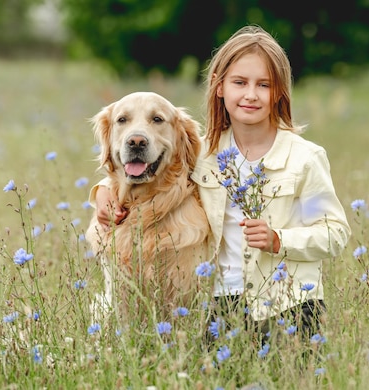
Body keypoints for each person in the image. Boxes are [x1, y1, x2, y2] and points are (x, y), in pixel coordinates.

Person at [91, 25, 351, 344]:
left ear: (280, 92)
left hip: (291, 306)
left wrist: (279, 240)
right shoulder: (205, 155)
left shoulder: (305, 159)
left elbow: (335, 233)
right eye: (239, 83)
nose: (251, 94)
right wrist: (103, 190)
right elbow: (150, 169)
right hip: (221, 308)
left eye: (264, 85)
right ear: (220, 88)